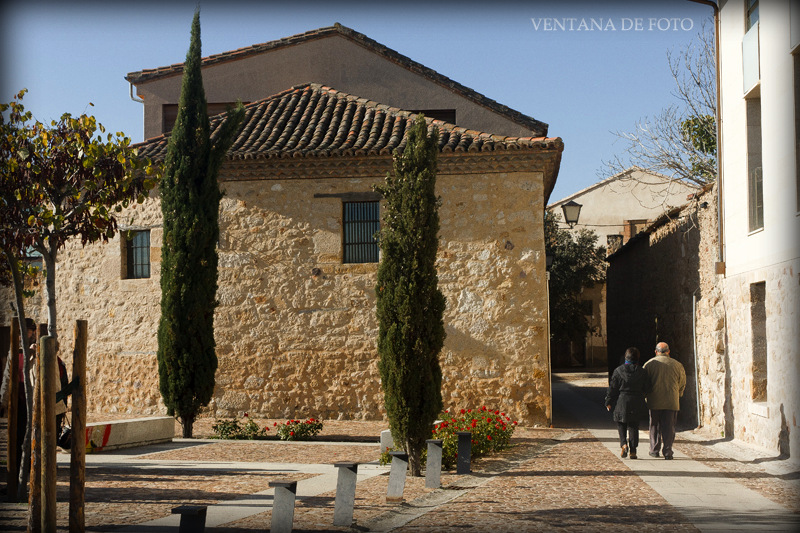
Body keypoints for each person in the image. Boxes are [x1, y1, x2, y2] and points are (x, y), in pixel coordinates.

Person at [643, 341, 686, 460]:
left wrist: (646, 396)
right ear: (668, 351)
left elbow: (644, 382)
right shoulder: (677, 365)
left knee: (654, 426)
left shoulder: (649, 364)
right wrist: (678, 395)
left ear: (656, 352)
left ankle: (654, 450)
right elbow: (682, 382)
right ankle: (667, 451)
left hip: (654, 400)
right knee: (669, 427)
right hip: (671, 401)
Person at [605, 347, 650, 459]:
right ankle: (633, 450)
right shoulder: (642, 372)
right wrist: (642, 395)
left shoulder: (618, 371)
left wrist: (608, 401)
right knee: (634, 426)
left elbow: (613, 388)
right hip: (636, 400)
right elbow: (647, 388)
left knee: (621, 424)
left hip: (622, 400)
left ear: (626, 357)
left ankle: (624, 444)